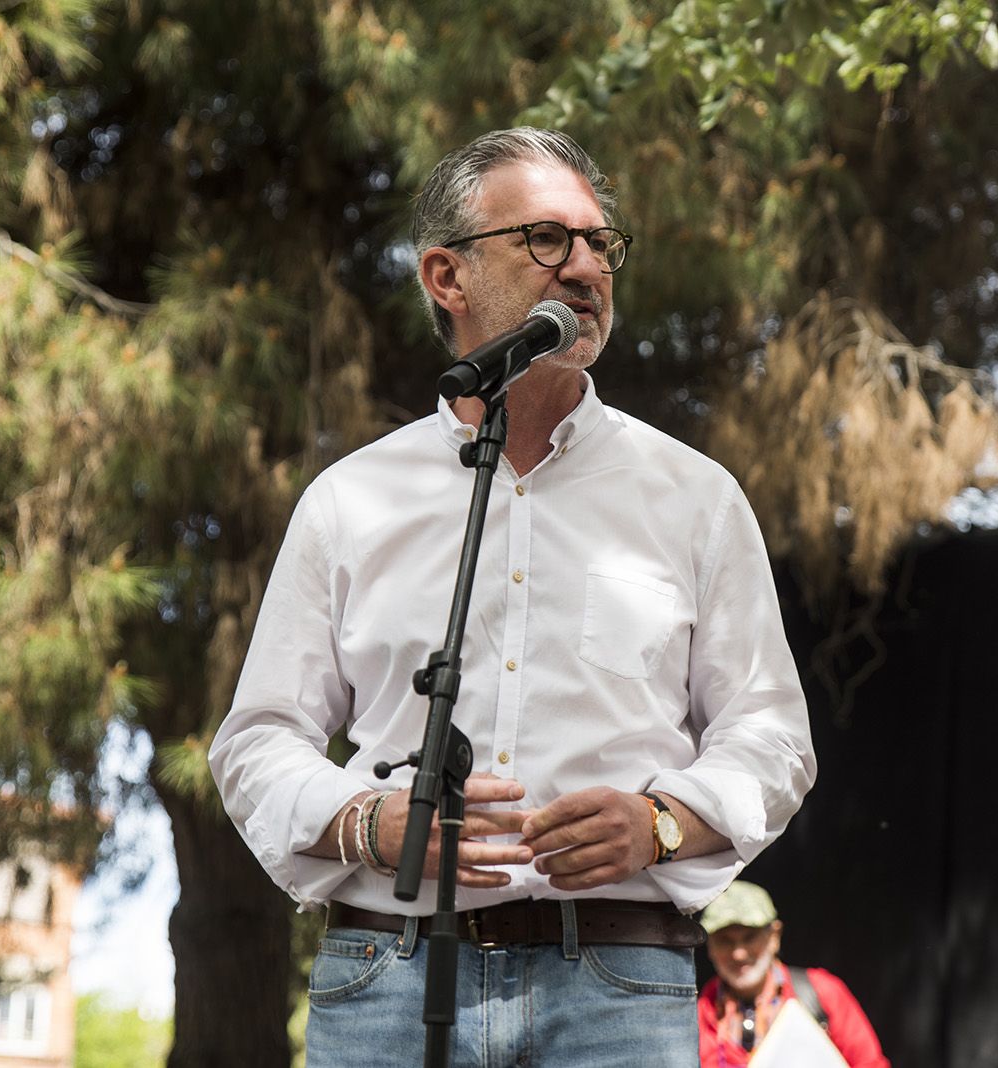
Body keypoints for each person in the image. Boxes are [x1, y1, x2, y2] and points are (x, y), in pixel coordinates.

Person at [208, 126, 816, 1066]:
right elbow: (256, 743)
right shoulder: (350, 500)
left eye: (599, 244)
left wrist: (660, 824)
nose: (584, 268)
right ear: (445, 277)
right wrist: (368, 823)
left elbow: (772, 736)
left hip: (618, 981)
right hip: (385, 976)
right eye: (546, 240)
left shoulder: (693, 496)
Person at [698, 881, 889, 1068]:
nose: (738, 953)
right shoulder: (698, 1013)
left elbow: (870, 1063)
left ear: (774, 937)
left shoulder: (821, 992)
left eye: (750, 937)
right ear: (709, 946)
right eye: (724, 941)